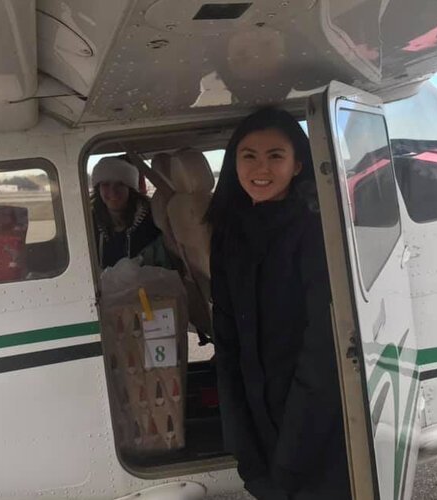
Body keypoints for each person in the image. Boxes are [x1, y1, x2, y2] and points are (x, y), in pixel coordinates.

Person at [205, 108, 350, 500]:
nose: (260, 167)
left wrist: (290, 458)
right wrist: (244, 448)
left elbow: (322, 348)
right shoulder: (228, 234)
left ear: (298, 163)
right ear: (234, 163)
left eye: (275, 155)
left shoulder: (314, 231)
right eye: (248, 155)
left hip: (313, 426)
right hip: (259, 427)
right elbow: (228, 337)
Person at [91, 156, 170, 269]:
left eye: (120, 184)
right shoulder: (89, 223)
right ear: (98, 189)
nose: (113, 191)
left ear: (130, 188)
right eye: (105, 184)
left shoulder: (152, 220)